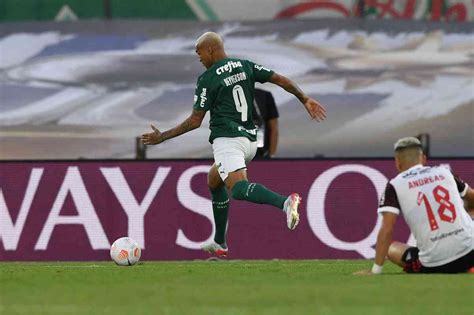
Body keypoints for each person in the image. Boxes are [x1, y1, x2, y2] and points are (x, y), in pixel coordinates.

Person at [142, 32, 326, 257]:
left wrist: (163, 137)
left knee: (238, 189)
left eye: (200, 54)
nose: (199, 59)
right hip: (250, 142)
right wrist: (304, 98)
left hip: (227, 140)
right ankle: (220, 242)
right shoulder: (244, 65)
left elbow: (194, 121)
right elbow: (279, 79)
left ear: (211, 50)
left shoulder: (207, 79)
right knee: (214, 180)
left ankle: (285, 202)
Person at [354, 137, 474, 275]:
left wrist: (375, 271)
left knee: (391, 249)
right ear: (423, 159)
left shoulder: (395, 185)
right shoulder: (444, 172)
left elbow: (387, 229)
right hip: (471, 253)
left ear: (397, 163)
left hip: (434, 265)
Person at [252, 88, 279, 159]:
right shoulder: (227, 96)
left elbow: (274, 128)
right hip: (236, 153)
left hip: (261, 153)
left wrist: (272, 155)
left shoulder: (265, 96)